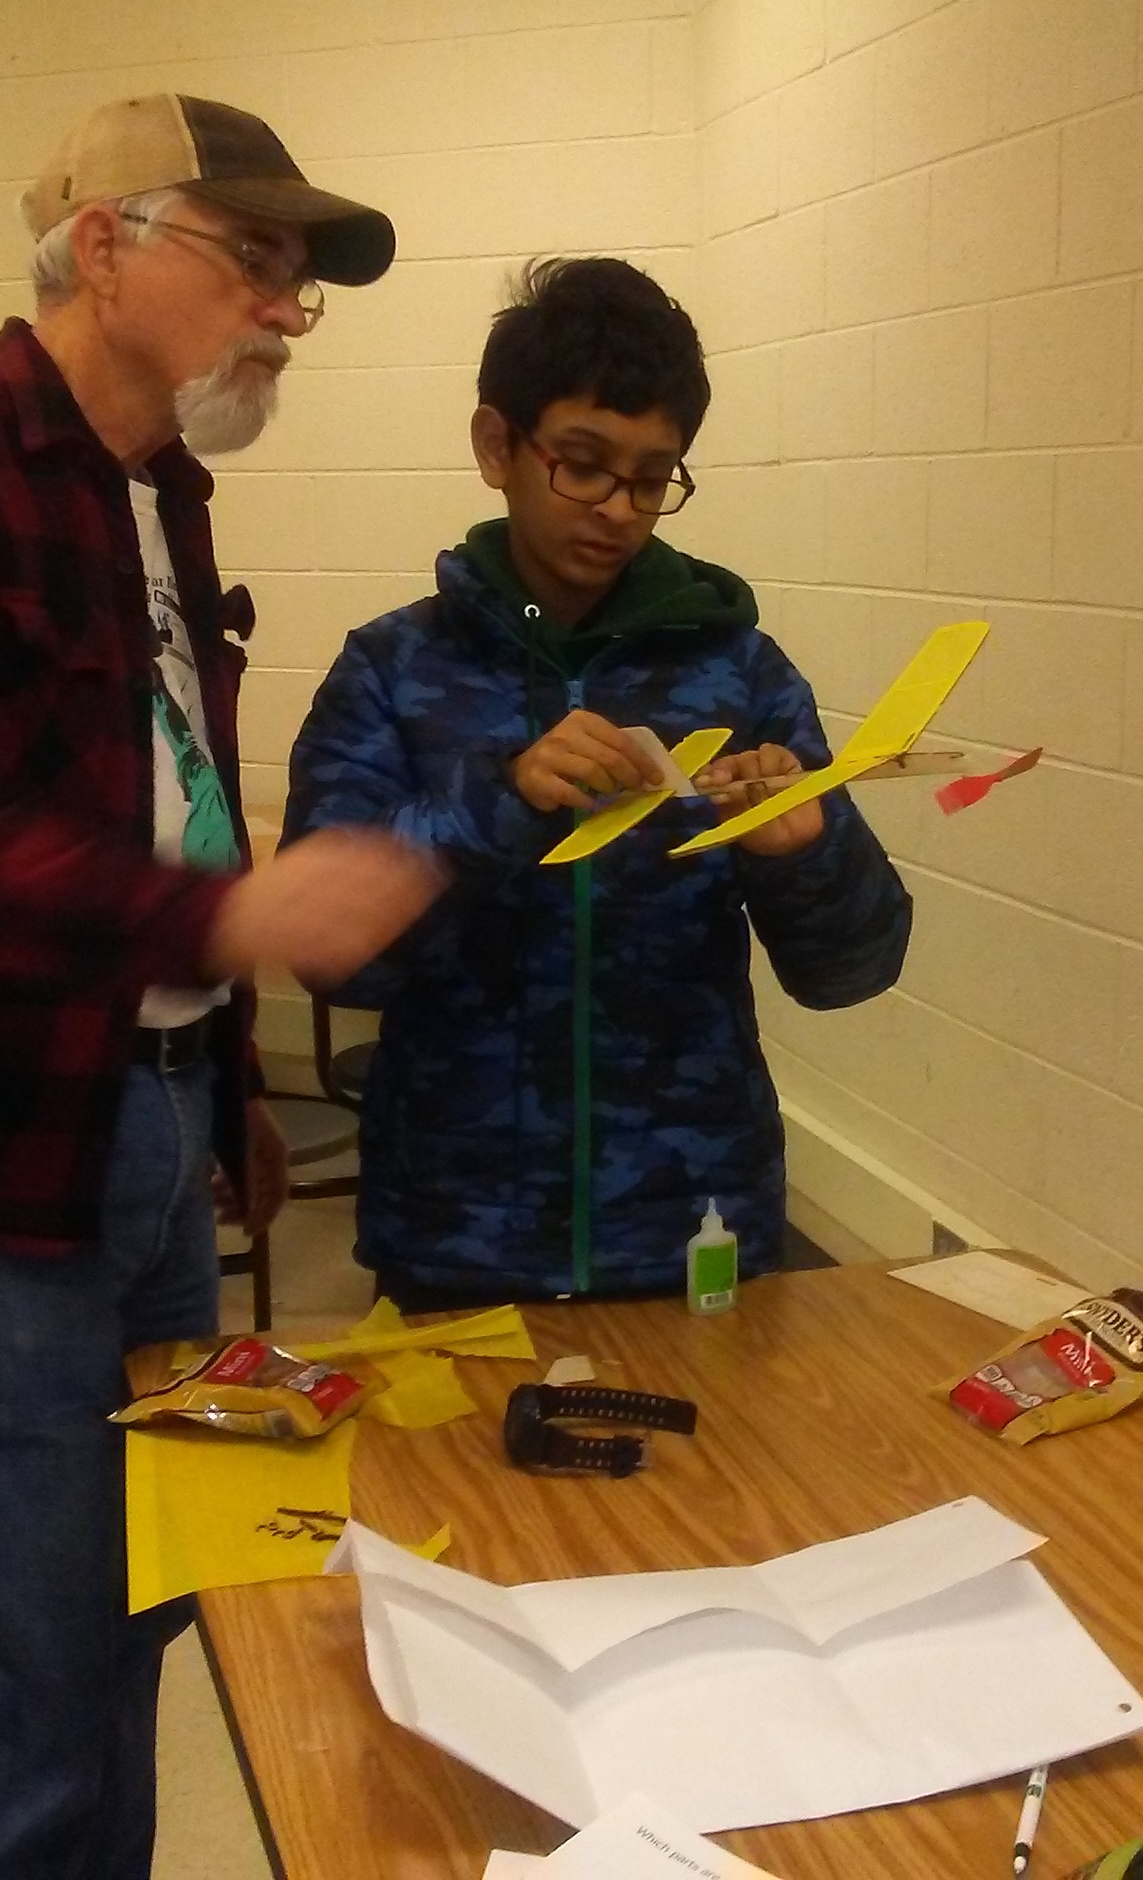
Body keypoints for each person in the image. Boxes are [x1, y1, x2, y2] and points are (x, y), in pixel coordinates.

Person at [0, 94, 443, 1877]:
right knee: (3, 1692)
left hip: (139, 1133)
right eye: (254, 261)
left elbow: (155, 794)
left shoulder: (155, 501)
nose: (286, 313)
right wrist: (218, 935)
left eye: (302, 282)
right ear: (104, 245)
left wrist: (222, 1087)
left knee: (133, 1623)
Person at [282, 257, 911, 1310]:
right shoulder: (392, 672)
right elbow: (331, 959)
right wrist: (503, 800)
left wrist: (810, 856)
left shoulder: (737, 672)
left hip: (695, 1230)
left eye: (652, 478)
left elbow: (854, 969)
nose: (618, 510)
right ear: (497, 446)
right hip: (458, 1236)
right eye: (582, 464)